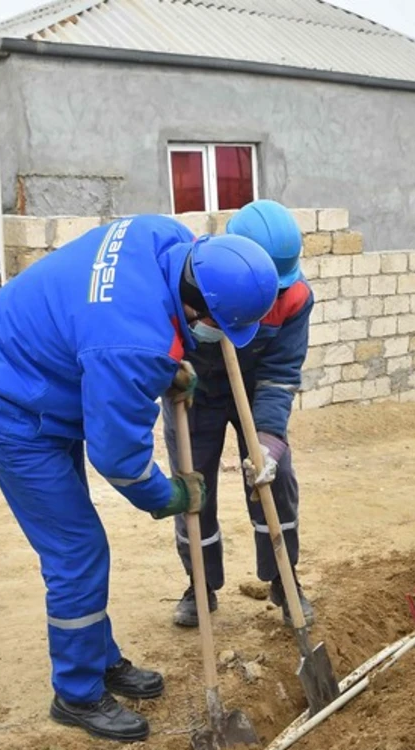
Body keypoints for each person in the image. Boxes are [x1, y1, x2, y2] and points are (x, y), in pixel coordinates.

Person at [0, 215, 279, 742]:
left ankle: (100, 660)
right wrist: (168, 494)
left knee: (81, 545)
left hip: (39, 366)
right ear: (198, 308)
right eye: (216, 326)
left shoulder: (161, 236)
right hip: (8, 404)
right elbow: (118, 457)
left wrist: (168, 365)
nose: (215, 337)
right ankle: (77, 694)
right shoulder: (133, 344)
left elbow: (104, 319)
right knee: (76, 550)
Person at [163, 200, 315, 629]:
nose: (274, 295)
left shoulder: (296, 297)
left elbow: (281, 372)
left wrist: (267, 443)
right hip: (194, 392)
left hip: (253, 393)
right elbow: (158, 337)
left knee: (276, 476)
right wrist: (176, 364)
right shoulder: (193, 275)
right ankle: (201, 583)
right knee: (192, 488)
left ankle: (284, 579)